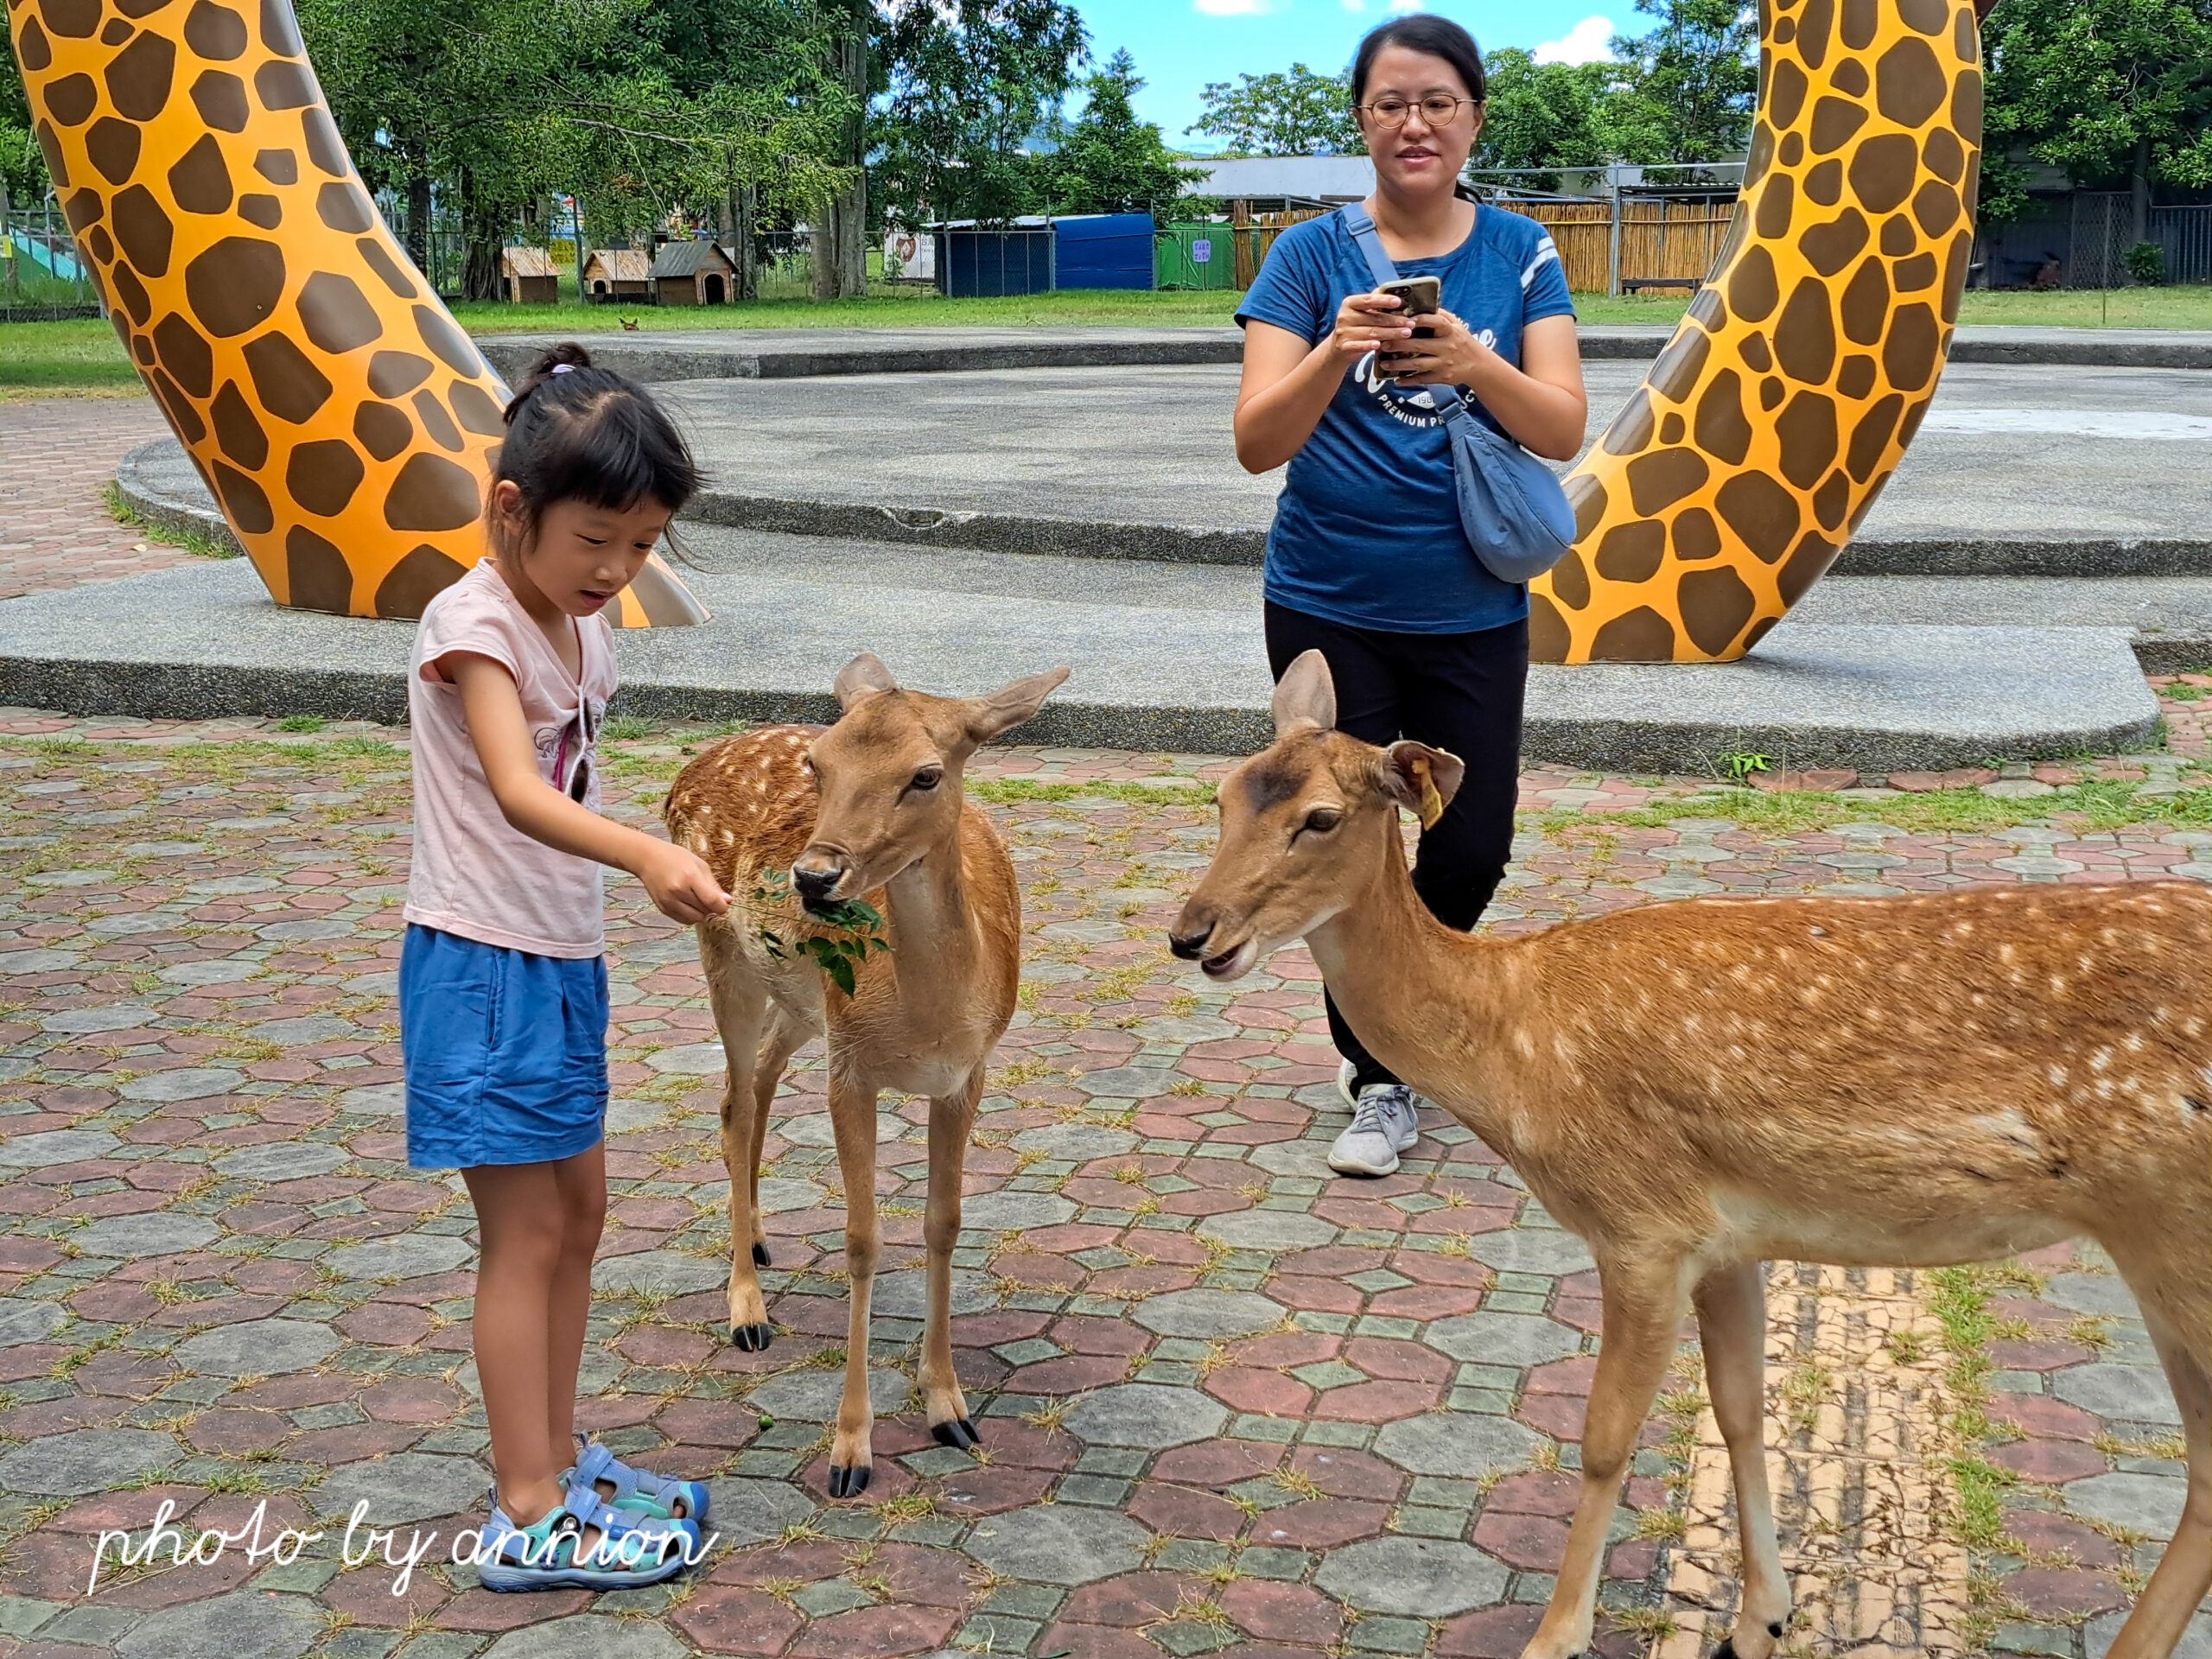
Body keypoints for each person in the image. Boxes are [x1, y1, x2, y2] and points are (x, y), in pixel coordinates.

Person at [1231, 15, 1588, 1179]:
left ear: (1474, 116)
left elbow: (1565, 424)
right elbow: (1254, 443)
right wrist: (1333, 352)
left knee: (1469, 844)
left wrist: (1477, 363)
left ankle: (1399, 1028)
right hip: (1330, 606)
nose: (1414, 123)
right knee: (1345, 847)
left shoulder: (1525, 250)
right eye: (1390, 103)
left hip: (1476, 609)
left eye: (1437, 101)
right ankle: (1383, 1075)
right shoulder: (1306, 258)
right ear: (1363, 122)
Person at [402, 342, 732, 1589]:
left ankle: (559, 1451)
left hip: (556, 958)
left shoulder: (580, 624)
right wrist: (648, 855)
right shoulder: (472, 623)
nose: (618, 570)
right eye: (598, 539)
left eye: (642, 545)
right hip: (482, 967)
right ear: (510, 512)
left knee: (579, 1221)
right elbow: (513, 789)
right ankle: (528, 1504)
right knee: (524, 1237)